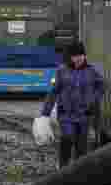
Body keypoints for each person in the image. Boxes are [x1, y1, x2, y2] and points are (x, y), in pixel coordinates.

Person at [40, 40, 105, 169]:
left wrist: (93, 99)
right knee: (67, 137)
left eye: (81, 55)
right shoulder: (62, 71)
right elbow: (54, 91)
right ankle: (62, 166)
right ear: (70, 57)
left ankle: (78, 171)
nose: (78, 58)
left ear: (84, 56)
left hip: (84, 115)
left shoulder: (92, 71)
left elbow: (102, 86)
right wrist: (45, 113)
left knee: (81, 147)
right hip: (66, 114)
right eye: (75, 56)